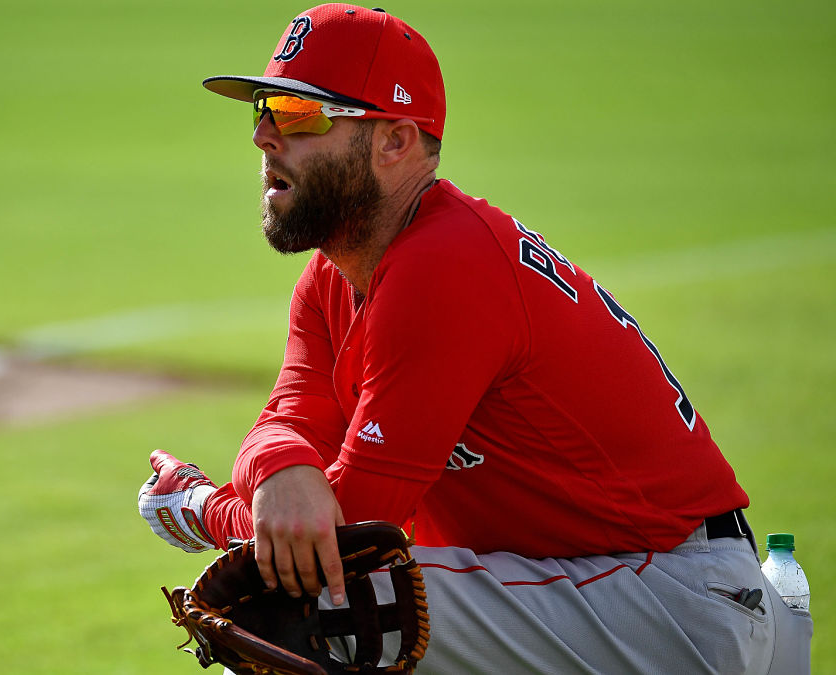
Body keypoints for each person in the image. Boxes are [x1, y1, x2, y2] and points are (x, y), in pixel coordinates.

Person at [138, 4, 812, 672]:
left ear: (395, 142)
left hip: (670, 597)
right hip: (584, 589)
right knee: (332, 601)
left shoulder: (444, 264)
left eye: (300, 114)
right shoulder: (329, 280)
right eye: (263, 109)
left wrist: (202, 506)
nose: (263, 136)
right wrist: (280, 464)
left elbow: (343, 540)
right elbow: (282, 422)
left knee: (332, 605)